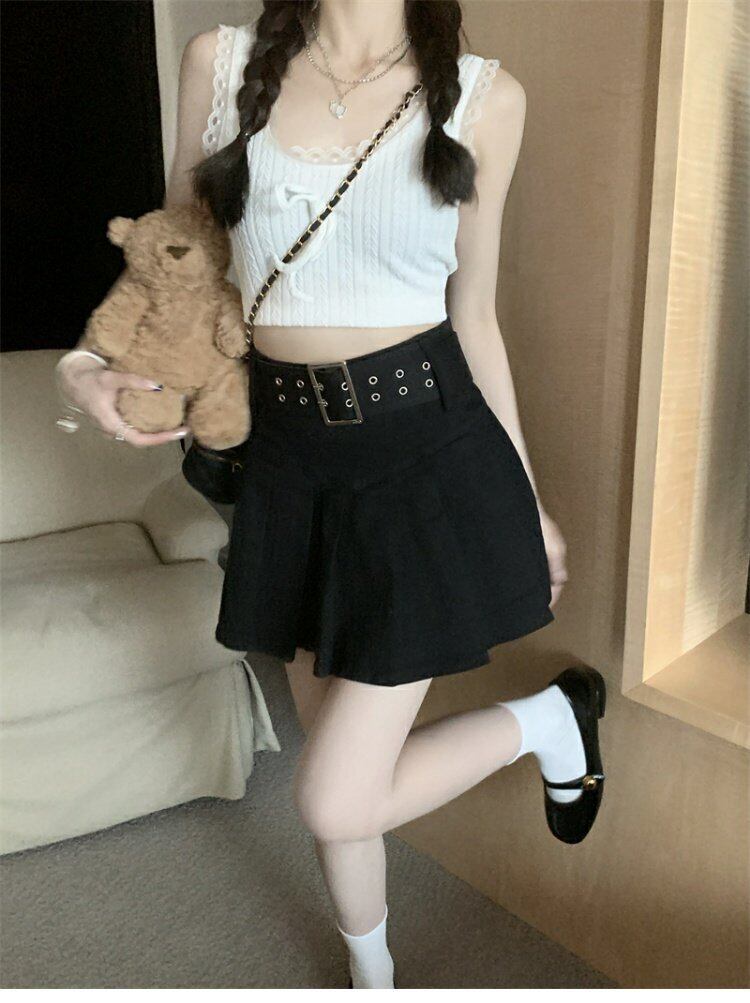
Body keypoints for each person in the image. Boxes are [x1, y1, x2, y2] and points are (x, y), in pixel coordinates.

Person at [56, 1, 606, 989]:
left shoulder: (485, 99)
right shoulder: (221, 64)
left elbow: (475, 316)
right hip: (290, 457)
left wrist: (525, 495)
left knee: (331, 797)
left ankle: (548, 722)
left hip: (427, 455)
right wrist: (91, 362)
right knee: (332, 763)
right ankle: (373, 975)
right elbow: (179, 269)